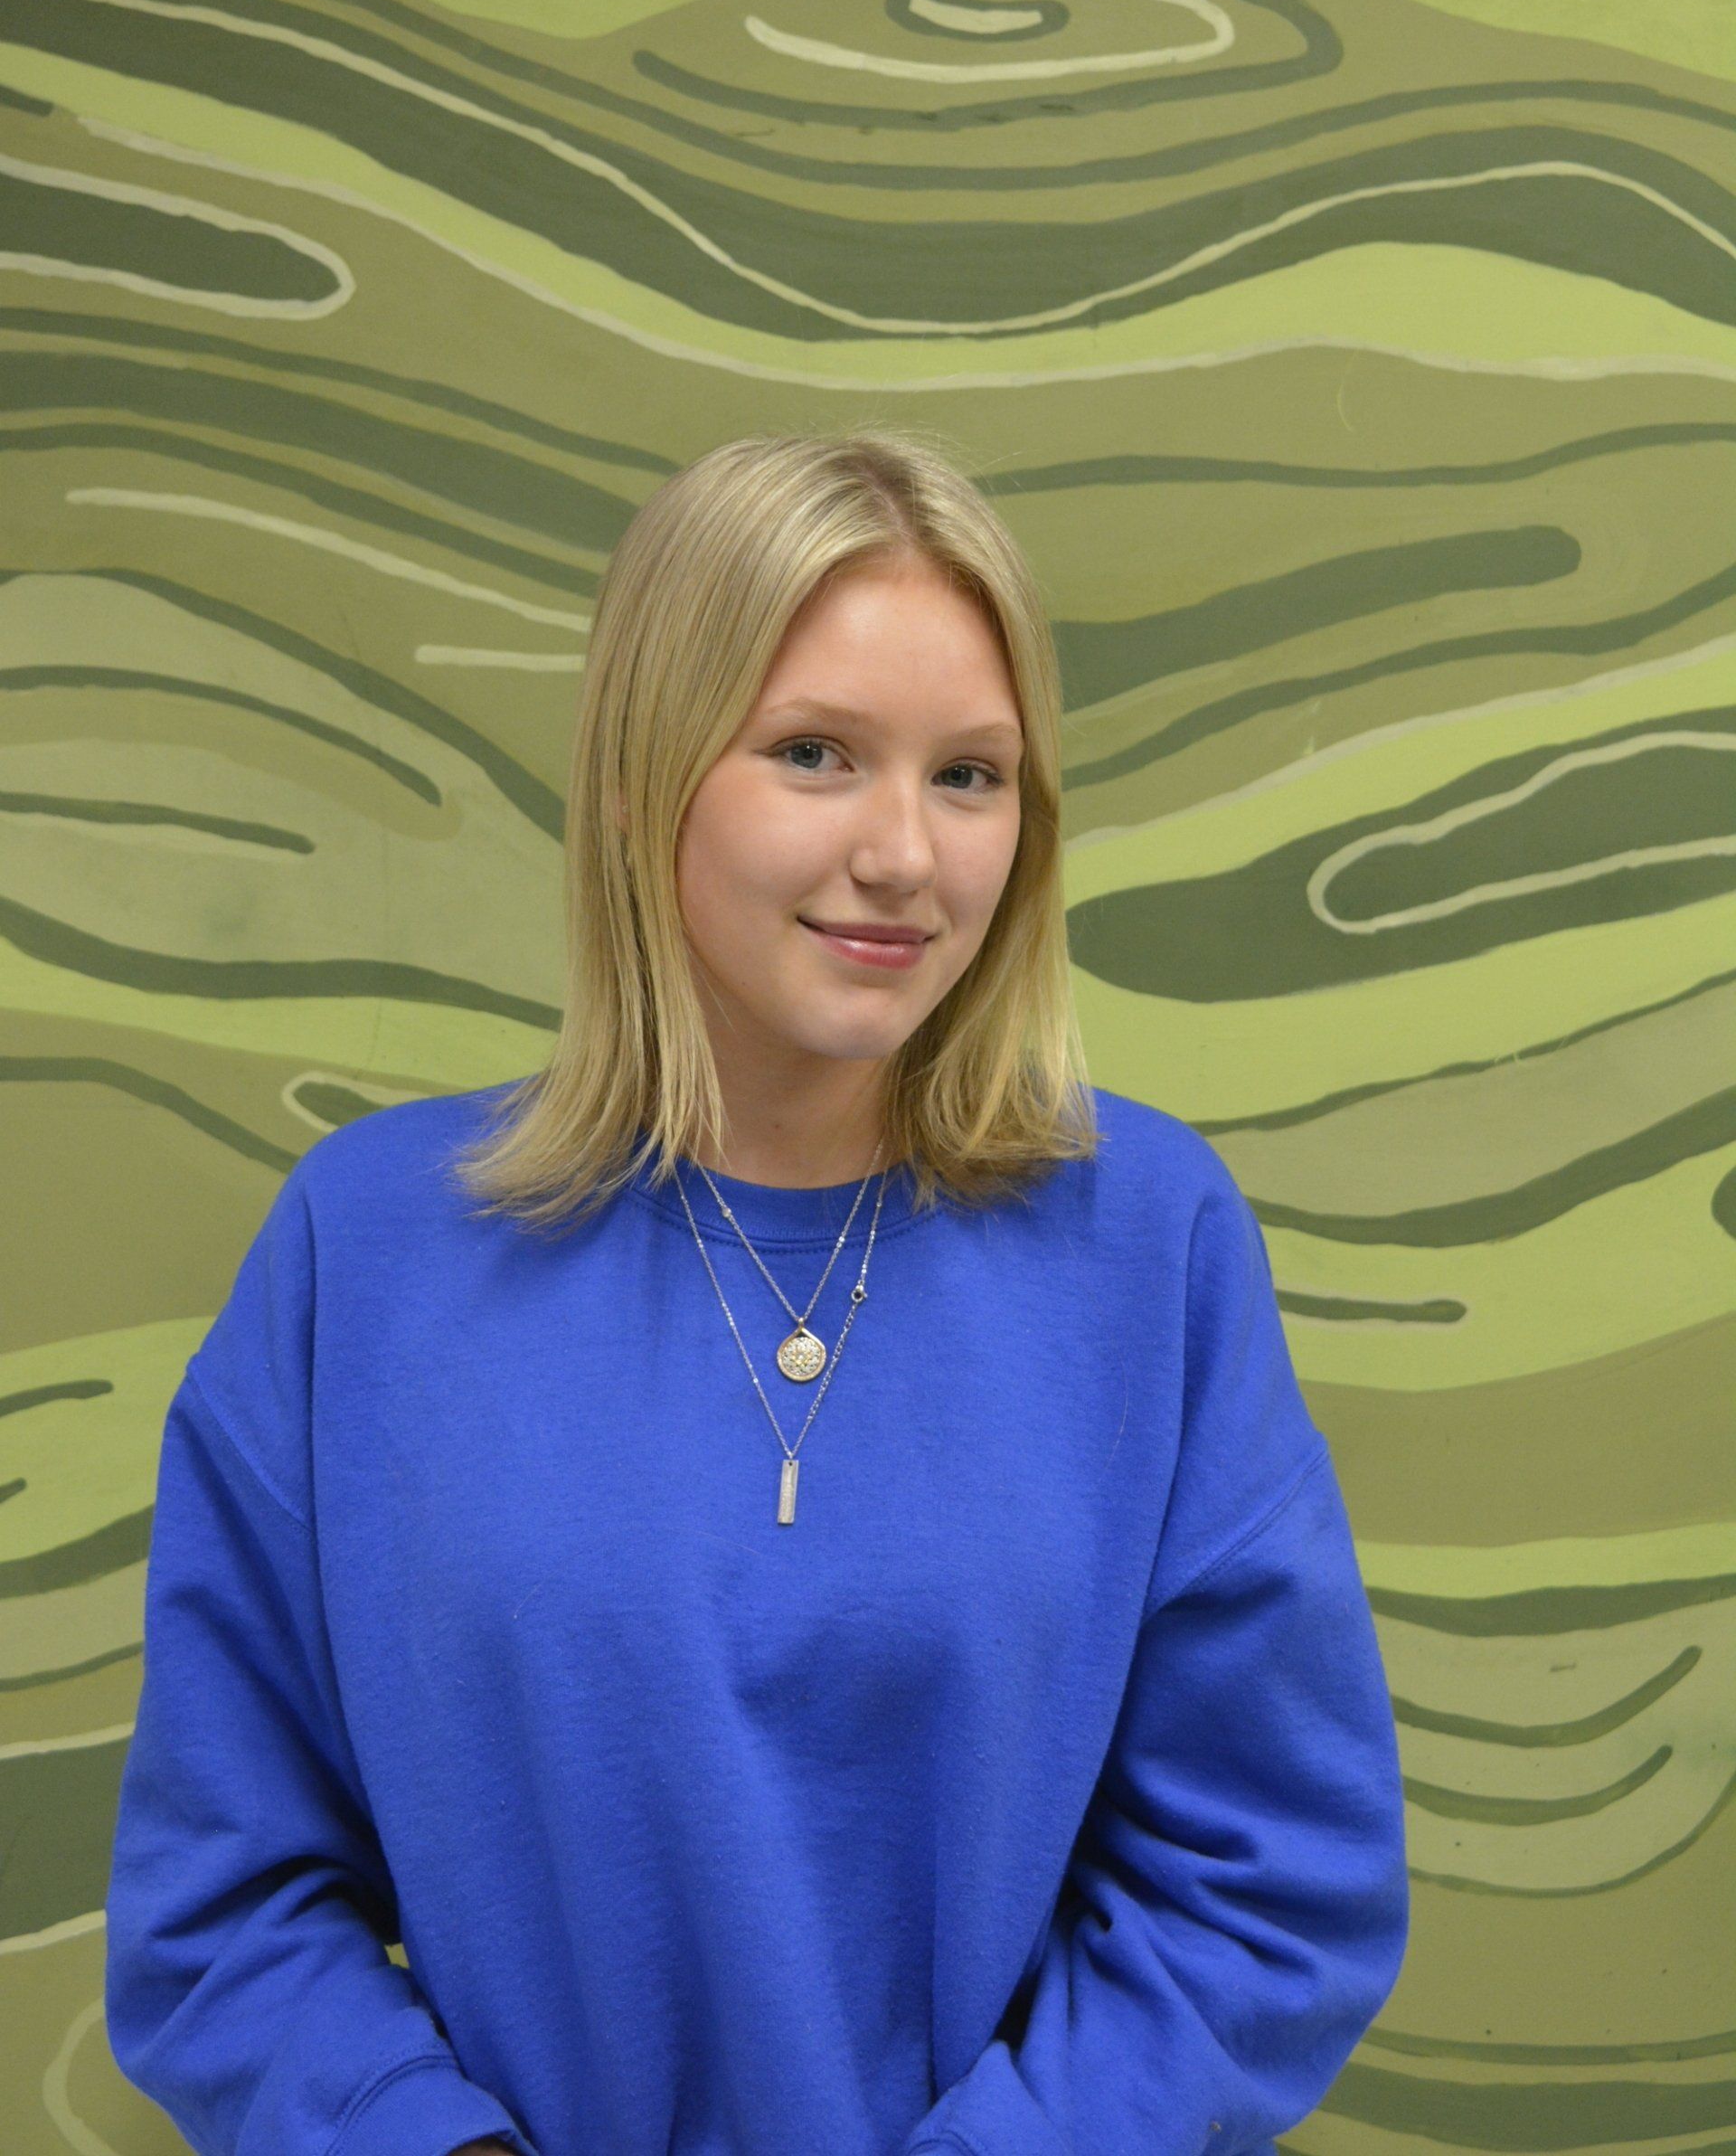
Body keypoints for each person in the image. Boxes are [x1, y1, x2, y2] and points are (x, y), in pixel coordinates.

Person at [103, 427, 1409, 2156]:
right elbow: (220, 1910)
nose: (906, 854)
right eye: (815, 755)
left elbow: (1274, 1886)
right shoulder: (365, 1250)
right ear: (641, 780)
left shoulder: (1151, 1244)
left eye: (971, 775)